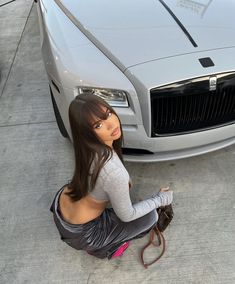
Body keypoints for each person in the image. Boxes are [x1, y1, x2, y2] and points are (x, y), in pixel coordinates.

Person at [50, 93, 173, 259]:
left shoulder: (85, 150)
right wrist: (159, 200)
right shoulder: (114, 172)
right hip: (83, 234)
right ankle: (104, 248)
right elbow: (126, 215)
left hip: (61, 206)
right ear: (87, 132)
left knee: (133, 205)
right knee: (150, 217)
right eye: (98, 125)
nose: (111, 124)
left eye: (108, 114)